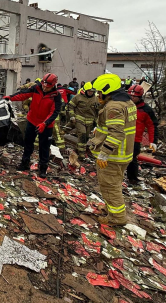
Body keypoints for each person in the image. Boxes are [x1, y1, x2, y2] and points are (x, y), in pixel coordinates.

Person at [87, 73, 136, 225]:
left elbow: (117, 133)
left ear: (108, 90)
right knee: (113, 184)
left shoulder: (113, 106)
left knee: (110, 186)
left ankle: (116, 218)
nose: (98, 95)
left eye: (100, 92)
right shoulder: (127, 103)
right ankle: (111, 208)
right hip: (124, 154)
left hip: (113, 156)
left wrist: (104, 154)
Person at [4, 73, 61, 173]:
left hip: (46, 126)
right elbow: (23, 94)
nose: (44, 88)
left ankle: (43, 169)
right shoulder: (36, 88)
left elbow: (54, 112)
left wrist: (45, 123)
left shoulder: (56, 96)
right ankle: (25, 163)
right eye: (43, 85)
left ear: (53, 86)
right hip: (32, 121)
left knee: (44, 147)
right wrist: (10, 97)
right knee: (28, 144)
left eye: (47, 87)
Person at [126, 85, 159, 185]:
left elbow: (152, 126)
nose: (132, 98)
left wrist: (153, 141)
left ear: (140, 97)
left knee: (132, 160)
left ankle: (132, 179)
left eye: (134, 96)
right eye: (130, 96)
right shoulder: (124, 105)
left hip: (135, 139)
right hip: (122, 137)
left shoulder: (146, 110)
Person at [67, 81, 99, 159]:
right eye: (89, 91)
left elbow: (98, 111)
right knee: (82, 133)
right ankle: (81, 153)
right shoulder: (78, 97)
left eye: (92, 91)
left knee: (86, 137)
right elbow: (70, 106)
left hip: (90, 122)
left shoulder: (96, 99)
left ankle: (79, 149)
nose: (90, 93)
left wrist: (97, 121)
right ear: (85, 91)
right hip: (79, 119)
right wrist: (72, 116)